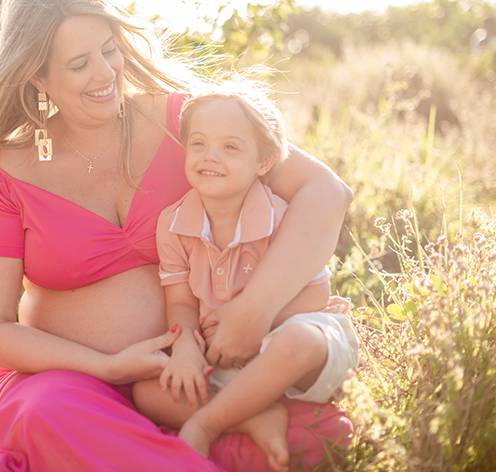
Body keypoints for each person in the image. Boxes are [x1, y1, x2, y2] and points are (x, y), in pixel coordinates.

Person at [0, 0, 354, 472]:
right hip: (66, 382)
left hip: (186, 376)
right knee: (50, 415)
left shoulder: (185, 123)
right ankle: (194, 441)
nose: (105, 73)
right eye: (78, 64)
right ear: (37, 76)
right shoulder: (5, 173)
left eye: (108, 51)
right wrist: (107, 365)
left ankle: (184, 431)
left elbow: (325, 192)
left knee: (317, 435)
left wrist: (254, 311)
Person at [132, 85, 359, 472]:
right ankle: (252, 416)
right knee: (146, 390)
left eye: (230, 148)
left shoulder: (282, 216)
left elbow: (314, 293)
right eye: (198, 144)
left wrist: (256, 322)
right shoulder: (171, 225)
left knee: (298, 341)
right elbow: (182, 303)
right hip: (223, 352)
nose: (210, 157)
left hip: (291, 336)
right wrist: (185, 345)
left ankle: (205, 423)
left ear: (265, 161)